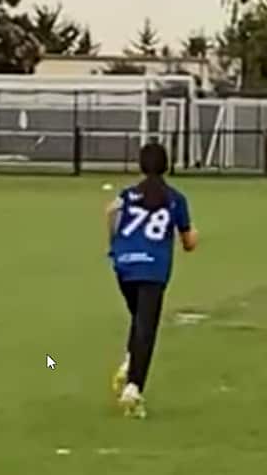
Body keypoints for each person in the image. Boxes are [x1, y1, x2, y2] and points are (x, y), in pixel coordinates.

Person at [106, 143, 198, 419]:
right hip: (153, 269)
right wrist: (193, 235)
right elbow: (188, 241)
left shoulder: (128, 194)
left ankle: (130, 363)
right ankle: (133, 387)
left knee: (139, 320)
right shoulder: (174, 199)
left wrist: (114, 244)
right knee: (147, 327)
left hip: (124, 265)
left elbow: (110, 211)